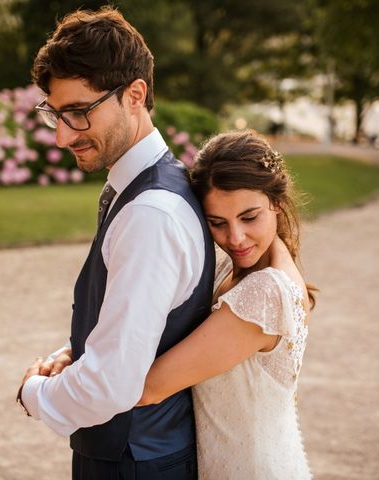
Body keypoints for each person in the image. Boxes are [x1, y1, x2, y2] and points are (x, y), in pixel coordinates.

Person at [16, 7, 215, 480]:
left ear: (135, 95)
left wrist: (31, 393)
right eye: (55, 114)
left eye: (79, 112)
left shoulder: (149, 212)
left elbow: (110, 384)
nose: (63, 136)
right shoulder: (152, 188)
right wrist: (78, 350)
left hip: (135, 463)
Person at [137, 130, 316, 479]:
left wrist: (68, 381)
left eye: (249, 218)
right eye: (217, 223)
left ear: (276, 202)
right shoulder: (227, 267)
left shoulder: (265, 291)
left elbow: (150, 387)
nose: (234, 238)